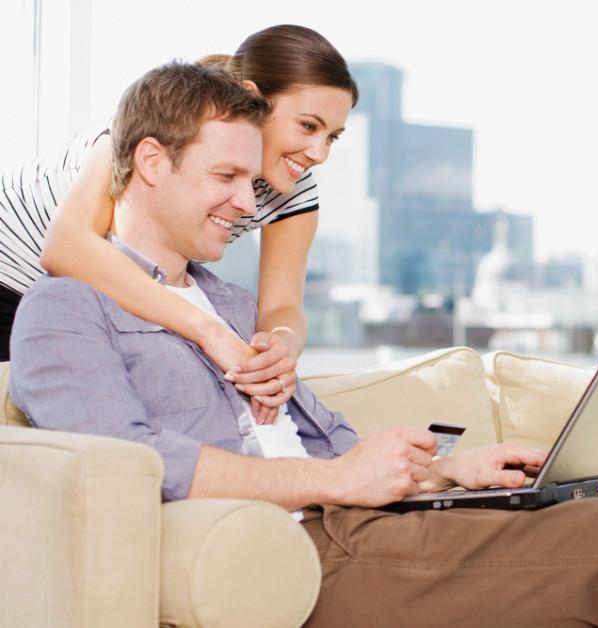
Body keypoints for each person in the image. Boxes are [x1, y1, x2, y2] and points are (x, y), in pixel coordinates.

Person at [10, 61, 598, 627]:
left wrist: (444, 478)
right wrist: (335, 483)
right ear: (152, 162)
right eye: (225, 176)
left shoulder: (234, 308)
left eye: (250, 178)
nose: (246, 202)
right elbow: (128, 463)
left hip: (360, 521)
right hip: (307, 549)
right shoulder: (68, 308)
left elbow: (325, 447)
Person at [0, 24, 356, 426]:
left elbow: (282, 305)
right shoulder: (155, 136)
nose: (319, 152)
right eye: (308, 126)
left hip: (101, 297)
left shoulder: (295, 189)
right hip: (13, 279)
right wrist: (211, 332)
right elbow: (66, 249)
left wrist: (280, 347)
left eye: (333, 137)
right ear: (255, 98)